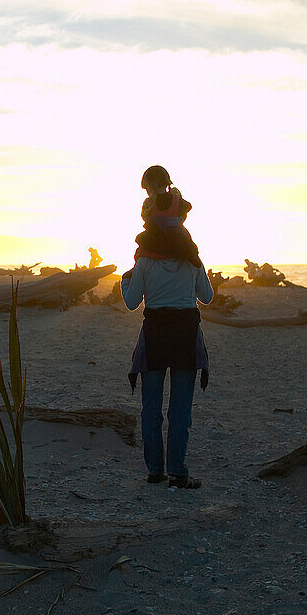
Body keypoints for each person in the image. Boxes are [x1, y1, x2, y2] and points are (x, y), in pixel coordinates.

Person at [121, 165, 213, 489]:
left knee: (151, 408)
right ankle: (177, 471)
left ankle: (155, 471)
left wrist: (124, 280)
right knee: (180, 411)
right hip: (186, 333)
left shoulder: (144, 260)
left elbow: (132, 302)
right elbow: (208, 296)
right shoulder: (192, 258)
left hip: (156, 333)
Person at [136, 165, 202, 268]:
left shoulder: (149, 203)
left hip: (155, 237)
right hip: (177, 236)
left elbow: (146, 219)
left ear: (150, 186)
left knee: (139, 253)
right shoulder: (176, 199)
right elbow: (188, 207)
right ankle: (195, 263)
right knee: (192, 251)